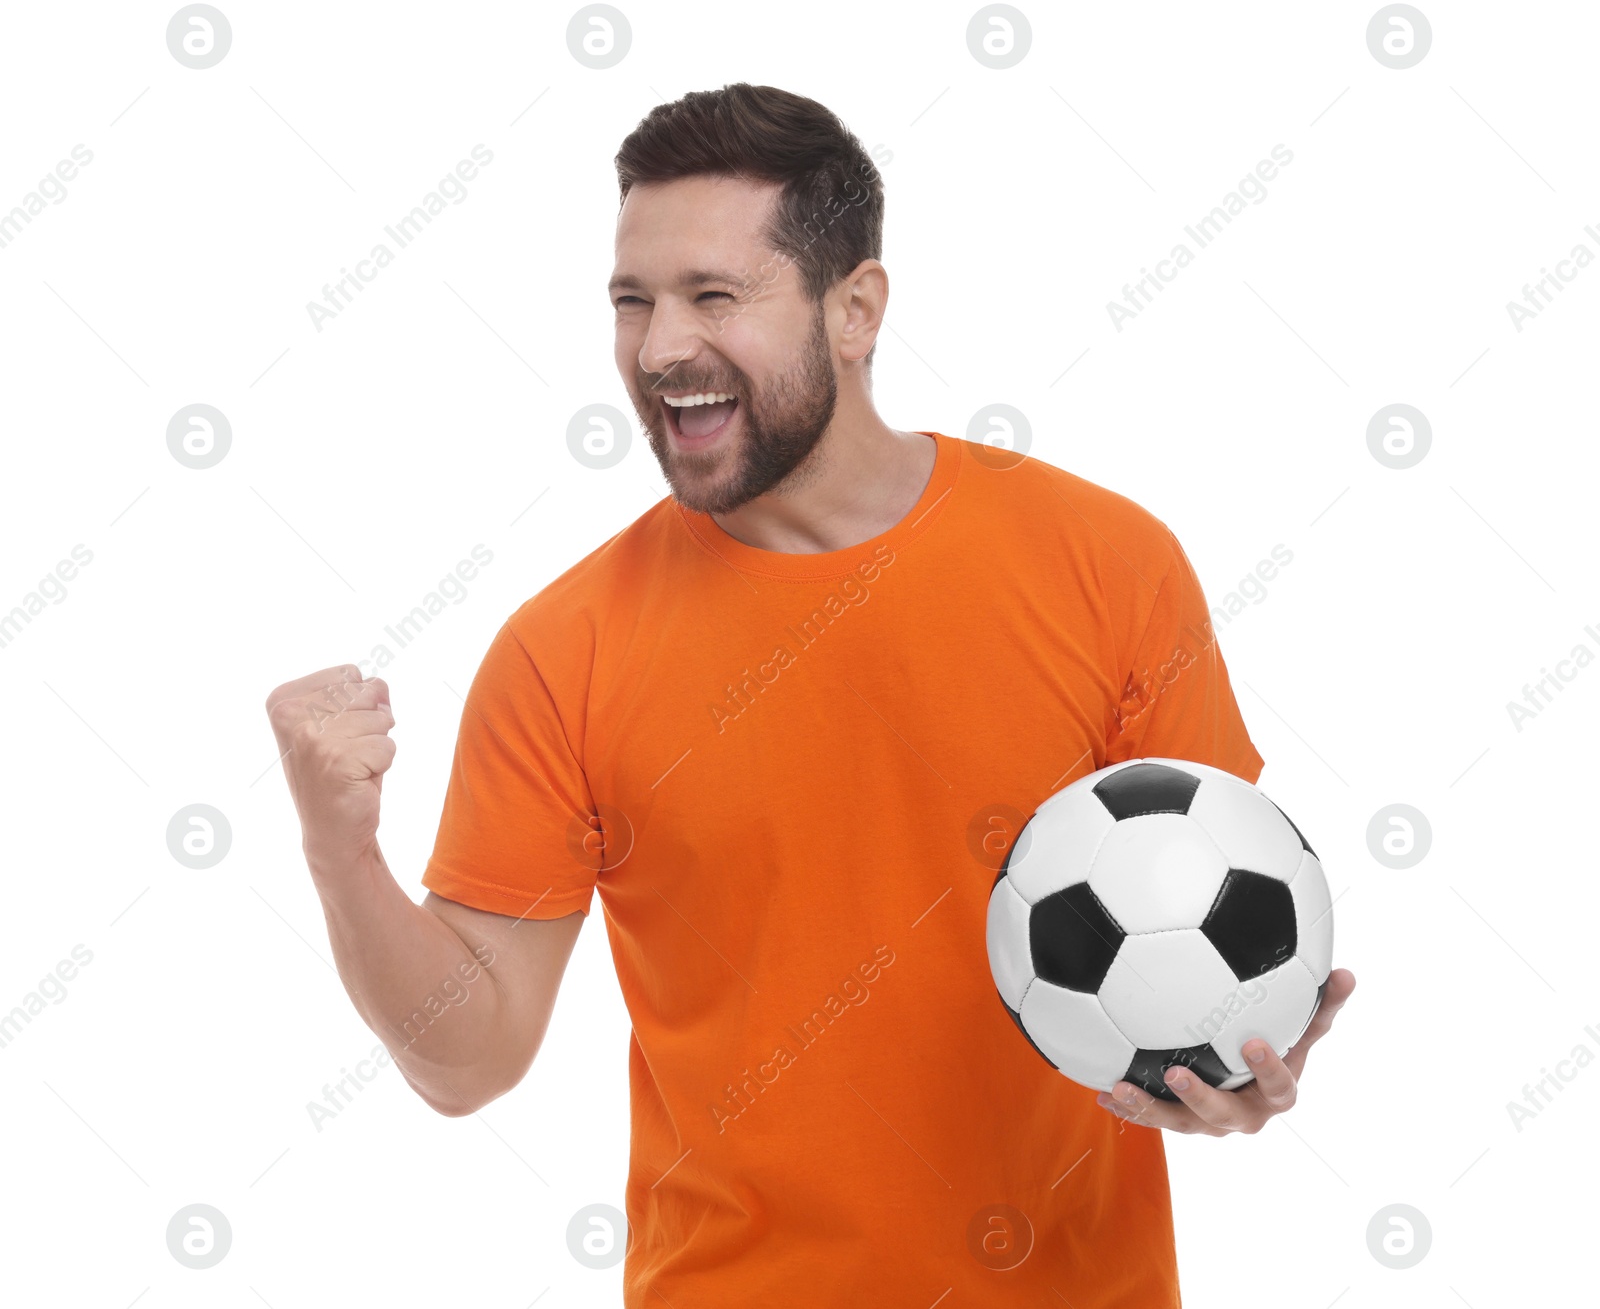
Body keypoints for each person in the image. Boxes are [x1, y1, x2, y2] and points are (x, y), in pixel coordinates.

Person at [265, 82, 1356, 1306]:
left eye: (713, 296)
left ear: (855, 308)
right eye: (633, 301)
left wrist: (1234, 1069)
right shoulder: (562, 648)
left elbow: (1219, 912)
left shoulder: (1103, 562)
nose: (661, 346)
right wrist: (338, 850)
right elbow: (467, 1061)